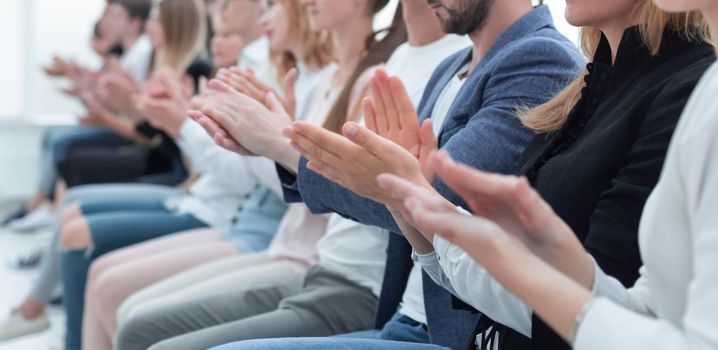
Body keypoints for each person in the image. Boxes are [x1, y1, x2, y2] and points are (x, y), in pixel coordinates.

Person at [274, 0, 714, 349]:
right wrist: (414, 201)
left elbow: (605, 310)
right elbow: (617, 303)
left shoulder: (672, 88)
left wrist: (417, 199)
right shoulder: (589, 85)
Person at [197, 0, 583, 348]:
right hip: (401, 313)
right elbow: (405, 199)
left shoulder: (540, 58)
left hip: (447, 331)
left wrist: (282, 143)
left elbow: (435, 199)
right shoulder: (451, 67)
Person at [79, 1, 335, 347]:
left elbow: (264, 179)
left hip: (249, 226)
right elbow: (214, 163)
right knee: (106, 278)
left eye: (272, 6)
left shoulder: (297, 75)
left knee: (112, 288)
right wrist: (175, 119)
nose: (219, 28)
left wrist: (182, 122)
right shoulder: (284, 73)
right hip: (232, 215)